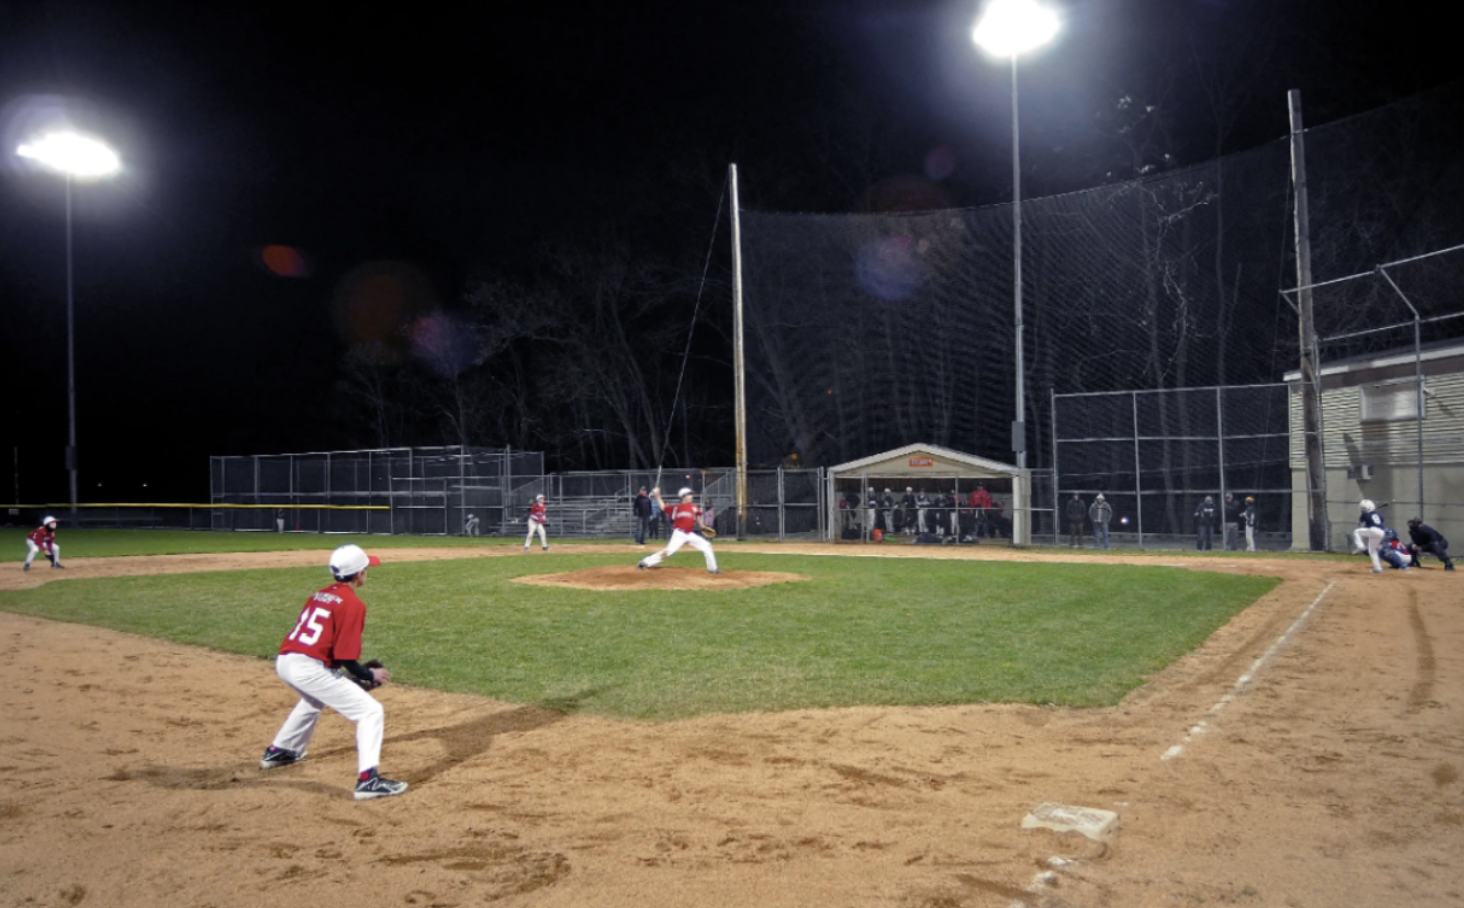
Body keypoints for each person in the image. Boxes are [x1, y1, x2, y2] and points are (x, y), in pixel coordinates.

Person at [260, 544, 407, 801]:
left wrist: (350, 677)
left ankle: (282, 750)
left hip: (286, 661)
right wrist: (368, 675)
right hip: (308, 667)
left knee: (314, 699)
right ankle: (368, 781)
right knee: (371, 711)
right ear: (359, 573)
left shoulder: (320, 594)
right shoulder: (352, 604)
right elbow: (345, 657)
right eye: (366, 569)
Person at [637, 487, 719, 574]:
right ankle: (645, 562)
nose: (691, 496)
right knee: (668, 552)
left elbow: (697, 517)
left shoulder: (693, 507)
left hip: (689, 534)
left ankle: (712, 569)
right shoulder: (677, 508)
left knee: (707, 546)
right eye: (689, 494)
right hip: (679, 534)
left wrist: (702, 527)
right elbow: (663, 507)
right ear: (684, 496)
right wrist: (657, 496)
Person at [1353, 498, 1389, 573]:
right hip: (1382, 532)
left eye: (1362, 509)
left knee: (1356, 531)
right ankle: (1377, 568)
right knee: (1372, 550)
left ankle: (1361, 547)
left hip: (1374, 530)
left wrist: (1364, 516)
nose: (1362, 510)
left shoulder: (1365, 514)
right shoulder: (1378, 514)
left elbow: (1362, 519)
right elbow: (1381, 521)